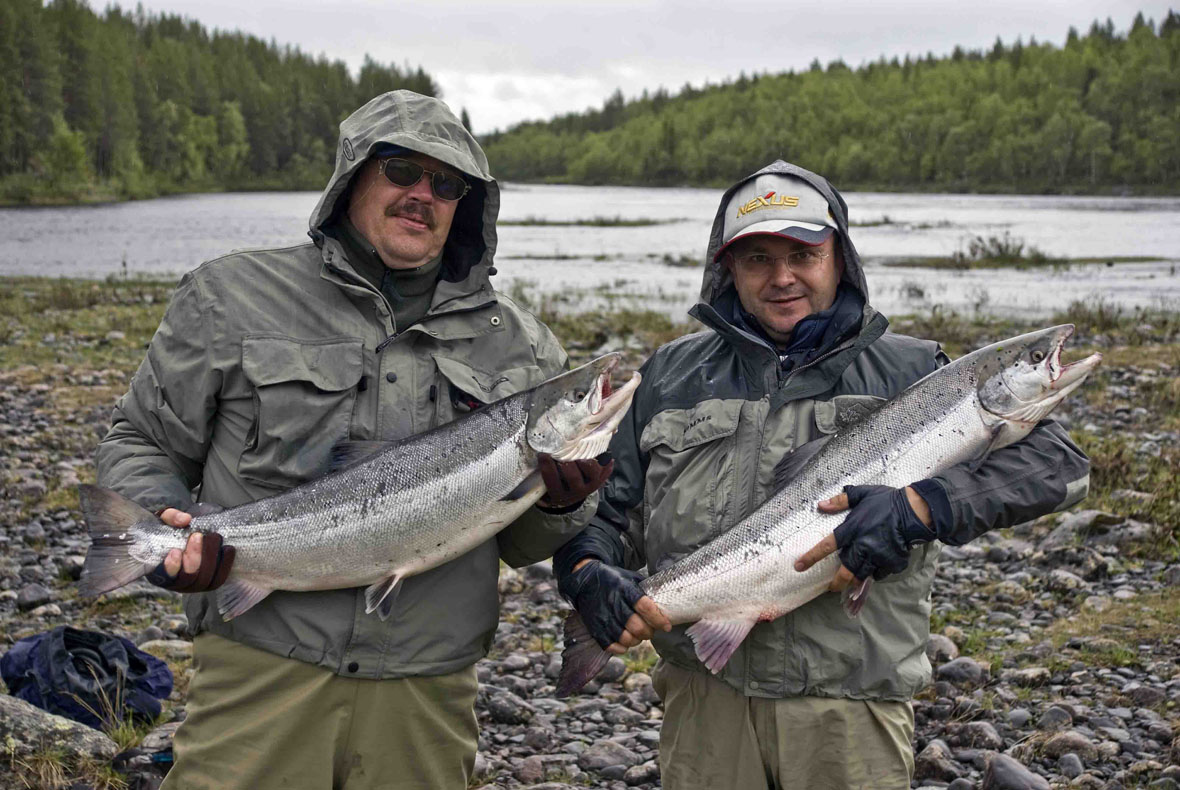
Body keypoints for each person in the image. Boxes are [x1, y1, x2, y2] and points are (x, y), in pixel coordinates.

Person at [96, 90, 611, 790]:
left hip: (426, 692)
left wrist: (560, 507)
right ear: (353, 177)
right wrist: (162, 528)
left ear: (466, 205)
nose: (421, 195)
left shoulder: (521, 346)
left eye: (446, 184)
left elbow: (518, 547)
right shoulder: (230, 295)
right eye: (401, 170)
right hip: (259, 670)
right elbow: (141, 440)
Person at [553, 160, 1089, 790]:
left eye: (803, 253)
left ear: (840, 256)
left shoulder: (918, 371)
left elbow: (1060, 467)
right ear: (728, 268)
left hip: (850, 707)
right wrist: (590, 573)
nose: (782, 277)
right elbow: (606, 513)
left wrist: (920, 507)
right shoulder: (670, 375)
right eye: (757, 258)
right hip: (704, 707)